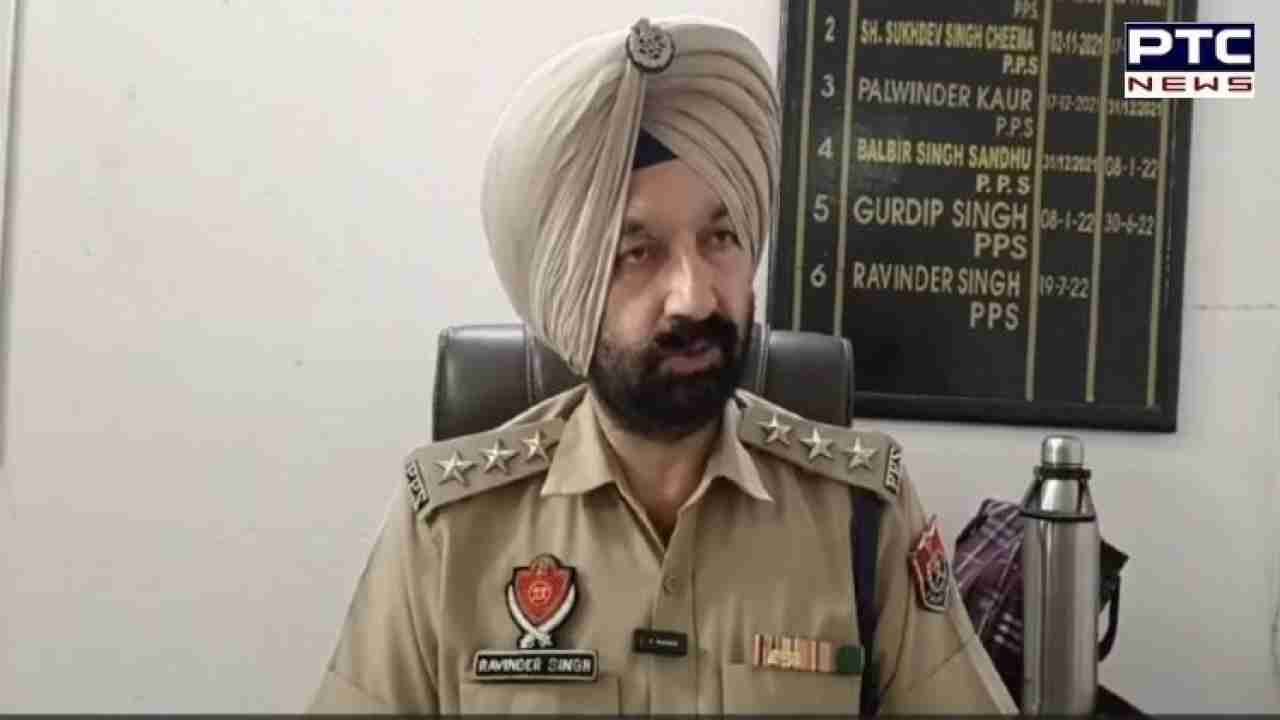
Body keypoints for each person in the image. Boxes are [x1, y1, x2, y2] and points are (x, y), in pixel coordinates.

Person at [307, 16, 1016, 715]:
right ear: (573, 292)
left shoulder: (862, 514)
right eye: (637, 252)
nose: (695, 296)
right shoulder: (448, 530)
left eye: (720, 237)